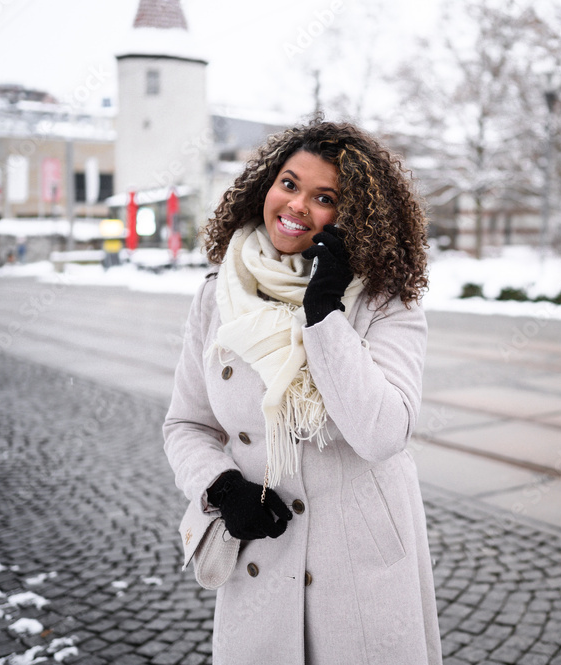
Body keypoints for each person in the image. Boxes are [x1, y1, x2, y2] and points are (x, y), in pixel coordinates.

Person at [163, 119, 442, 664]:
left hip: (359, 565)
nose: (296, 205)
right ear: (266, 184)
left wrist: (325, 314)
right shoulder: (217, 295)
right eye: (289, 184)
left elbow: (383, 432)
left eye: (325, 197)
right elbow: (187, 424)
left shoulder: (385, 302)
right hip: (263, 552)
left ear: (353, 216)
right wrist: (221, 488)